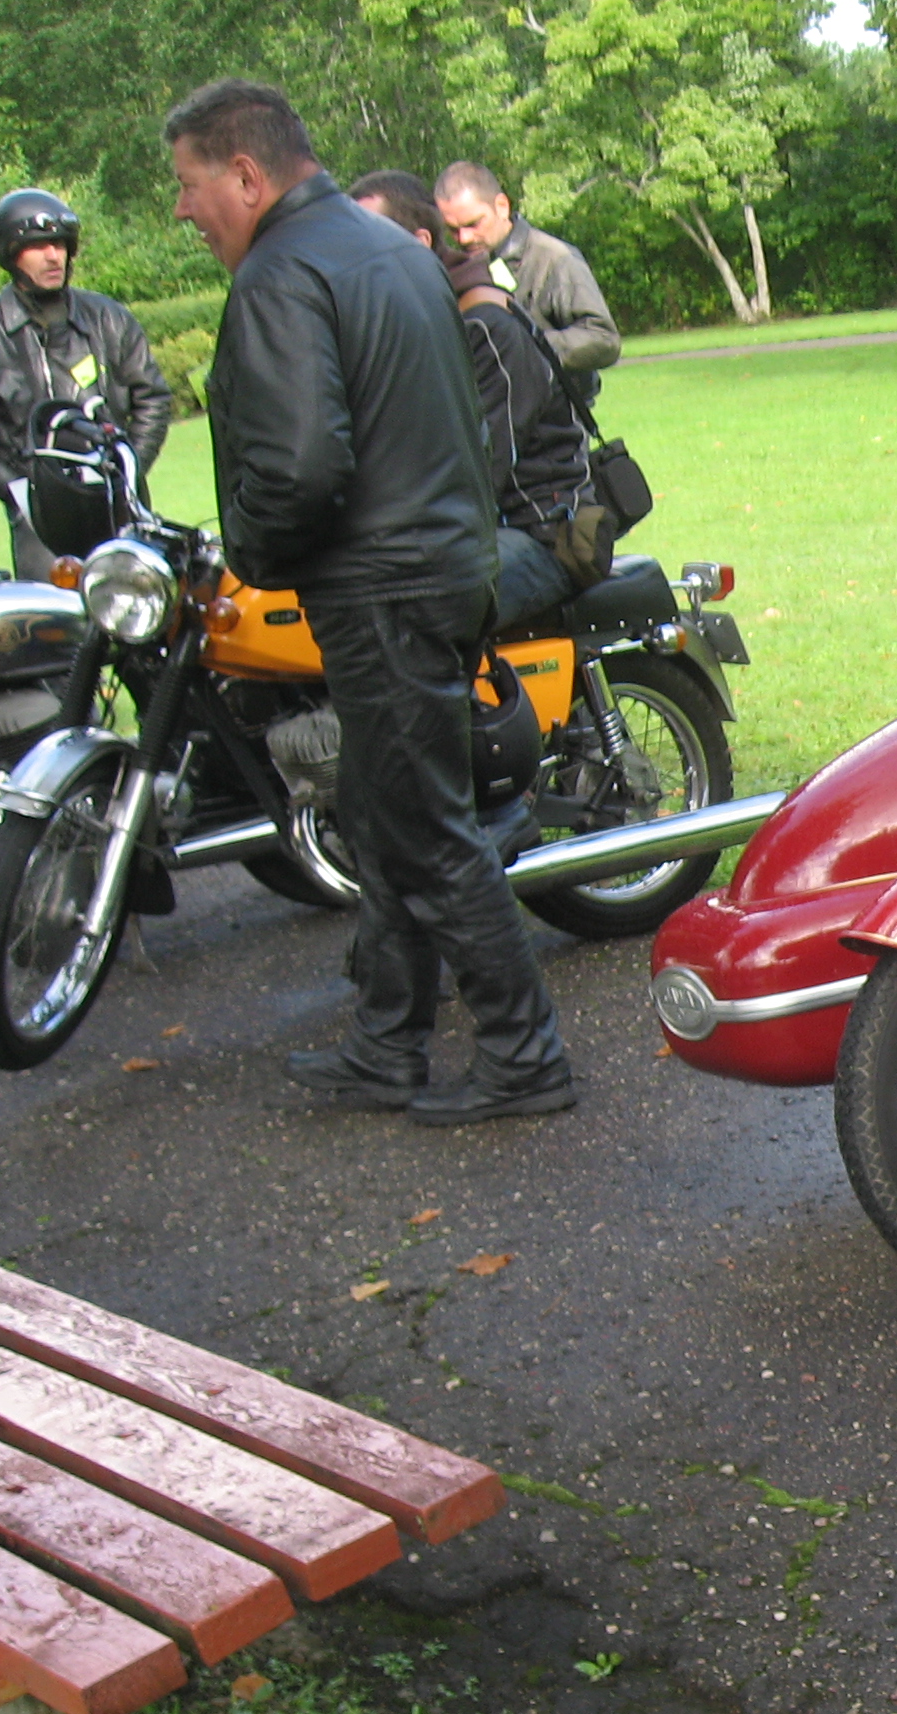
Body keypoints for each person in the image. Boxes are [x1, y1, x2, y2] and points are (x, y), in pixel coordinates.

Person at [167, 79, 574, 1125]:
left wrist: (253, 548)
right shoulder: (391, 249)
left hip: (381, 584)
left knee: (426, 829)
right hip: (438, 567)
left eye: (190, 183)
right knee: (380, 812)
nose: (181, 208)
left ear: (245, 174)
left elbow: (302, 466)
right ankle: (388, 1043)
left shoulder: (282, 271)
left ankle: (525, 1056)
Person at [348, 170, 588, 630]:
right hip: (477, 531)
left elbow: (479, 469)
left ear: (418, 243)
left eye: (364, 243)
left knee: (410, 612)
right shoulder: (419, 319)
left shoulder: (485, 326)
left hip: (542, 532)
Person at [0, 189, 173, 581]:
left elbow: (152, 397)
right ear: (9, 254)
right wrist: (16, 488)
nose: (53, 256)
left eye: (59, 244)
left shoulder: (109, 318)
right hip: (39, 521)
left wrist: (129, 469)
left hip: (121, 508)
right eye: (38, 246)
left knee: (143, 608)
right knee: (52, 616)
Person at [433, 162, 621, 406]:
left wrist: (524, 346)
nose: (464, 238)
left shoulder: (553, 258)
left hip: (556, 417)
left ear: (502, 206)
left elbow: (604, 339)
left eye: (473, 224)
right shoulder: (453, 268)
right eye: (453, 230)